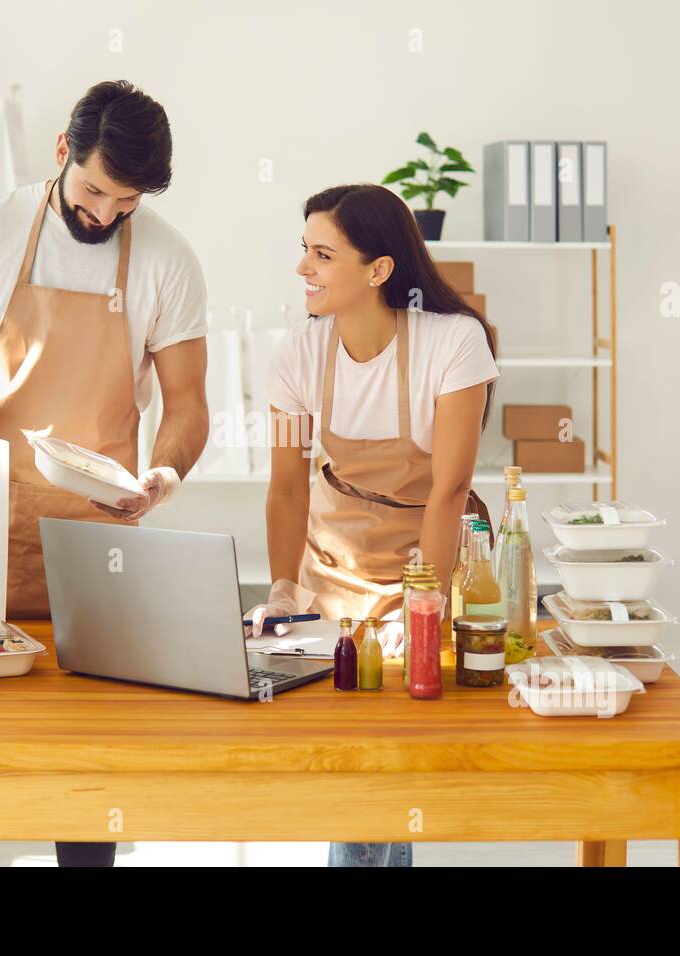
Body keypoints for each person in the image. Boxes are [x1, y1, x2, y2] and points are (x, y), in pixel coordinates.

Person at [0, 80, 210, 868]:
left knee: (85, 764)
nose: (104, 215)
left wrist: (166, 473)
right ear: (63, 152)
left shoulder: (169, 261)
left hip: (96, 534)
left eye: (125, 202)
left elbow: (188, 405)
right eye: (94, 191)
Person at [248, 184, 499, 867]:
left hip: (426, 562)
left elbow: (447, 491)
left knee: (390, 756)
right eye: (305, 250)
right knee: (358, 759)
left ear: (379, 270)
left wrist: (428, 605)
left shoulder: (453, 342)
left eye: (324, 254)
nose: (304, 267)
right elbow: (286, 488)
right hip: (333, 570)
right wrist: (280, 589)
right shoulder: (297, 355)